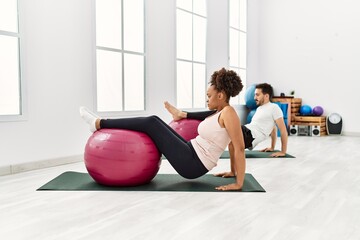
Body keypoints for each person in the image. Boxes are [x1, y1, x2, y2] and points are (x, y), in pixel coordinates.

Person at [80, 68, 246, 191]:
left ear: (221, 96)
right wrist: (232, 171)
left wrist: (238, 183)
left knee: (152, 122)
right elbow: (230, 144)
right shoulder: (220, 112)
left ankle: (99, 123)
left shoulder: (229, 113)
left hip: (193, 163)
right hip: (191, 151)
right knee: (156, 121)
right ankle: (99, 122)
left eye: (208, 96)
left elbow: (238, 147)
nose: (207, 100)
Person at [164, 83, 288, 157]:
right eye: (254, 94)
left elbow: (282, 130)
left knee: (221, 112)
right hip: (246, 131)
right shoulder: (261, 109)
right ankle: (181, 115)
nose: (254, 97)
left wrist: (282, 151)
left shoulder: (274, 108)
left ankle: (182, 114)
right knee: (219, 114)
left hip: (249, 135)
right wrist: (271, 147)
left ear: (266, 96)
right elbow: (272, 127)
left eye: (257, 94)